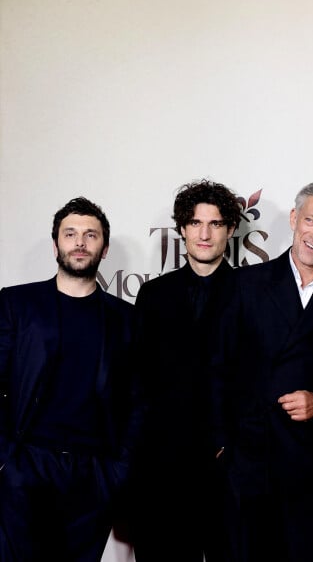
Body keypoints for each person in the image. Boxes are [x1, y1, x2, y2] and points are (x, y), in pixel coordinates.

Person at [209, 180, 313, 562]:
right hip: (247, 465)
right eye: (310, 221)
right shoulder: (243, 285)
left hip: (312, 471)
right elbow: (217, 368)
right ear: (293, 219)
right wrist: (222, 446)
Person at [0, 197, 141, 561]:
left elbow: (137, 399)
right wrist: (6, 460)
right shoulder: (17, 304)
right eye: (70, 234)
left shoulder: (126, 319)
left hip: (93, 473)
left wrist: (118, 469)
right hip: (26, 466)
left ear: (104, 248)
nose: (80, 242)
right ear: (55, 245)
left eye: (90, 235)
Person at [127, 179, 242, 562]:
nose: (205, 233)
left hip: (230, 465)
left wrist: (230, 440)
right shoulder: (154, 295)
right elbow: (138, 380)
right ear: (181, 230)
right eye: (195, 223)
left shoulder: (252, 293)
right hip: (163, 465)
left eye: (215, 223)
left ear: (230, 229)